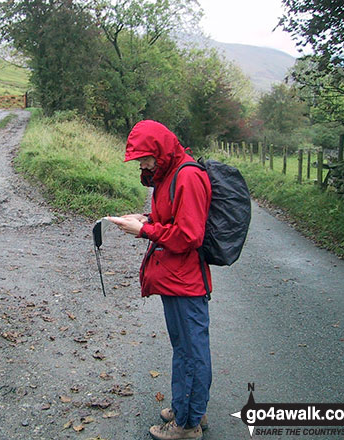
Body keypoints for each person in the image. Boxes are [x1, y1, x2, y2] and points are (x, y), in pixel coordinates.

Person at [107, 120, 212, 440]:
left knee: (192, 352)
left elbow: (189, 235)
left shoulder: (188, 176)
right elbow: (173, 219)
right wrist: (147, 219)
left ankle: (188, 424)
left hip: (186, 281)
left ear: (161, 150)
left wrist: (145, 231)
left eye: (144, 157)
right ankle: (189, 407)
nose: (142, 164)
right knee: (183, 348)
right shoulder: (169, 174)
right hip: (173, 278)